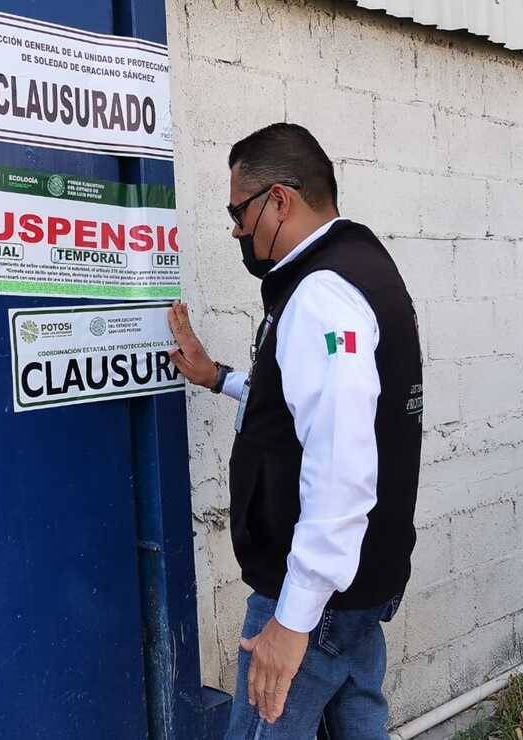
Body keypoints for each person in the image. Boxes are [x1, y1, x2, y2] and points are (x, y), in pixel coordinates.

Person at [167, 123, 423, 739]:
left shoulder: (320, 295)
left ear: (279, 200)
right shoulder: (362, 267)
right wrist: (217, 377)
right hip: (361, 586)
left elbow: (341, 464)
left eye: (239, 210)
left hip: (316, 601)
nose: (234, 228)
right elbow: (316, 409)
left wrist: (293, 620)